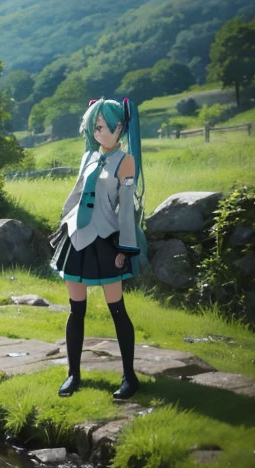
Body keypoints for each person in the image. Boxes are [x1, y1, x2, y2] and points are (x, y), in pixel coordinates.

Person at [50, 98, 146, 400]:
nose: (97, 131)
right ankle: (73, 374)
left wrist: (125, 249)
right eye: (94, 126)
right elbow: (77, 194)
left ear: (119, 127)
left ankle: (129, 377)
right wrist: (63, 226)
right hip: (77, 238)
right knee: (76, 309)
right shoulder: (88, 156)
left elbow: (127, 209)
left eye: (102, 126)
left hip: (106, 241)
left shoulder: (125, 162)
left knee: (117, 310)